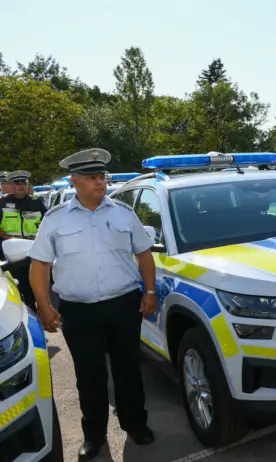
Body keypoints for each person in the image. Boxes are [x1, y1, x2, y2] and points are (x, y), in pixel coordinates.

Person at [28, 148, 158, 461]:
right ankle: (94, 436)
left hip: (123, 305)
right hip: (79, 310)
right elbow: (40, 265)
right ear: (74, 181)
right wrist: (44, 305)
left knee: (128, 369)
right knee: (89, 375)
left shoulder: (123, 213)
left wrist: (150, 291)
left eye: (101, 176)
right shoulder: (55, 219)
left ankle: (135, 424)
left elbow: (143, 253)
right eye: (91, 177)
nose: (99, 182)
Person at [0, 170, 48, 309]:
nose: (21, 186)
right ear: (11, 185)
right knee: (13, 286)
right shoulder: (2, 203)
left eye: (24, 183)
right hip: (9, 253)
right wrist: (7, 237)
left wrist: (38, 237)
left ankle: (34, 309)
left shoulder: (36, 202)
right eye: (17, 183)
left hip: (32, 251)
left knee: (32, 286)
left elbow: (47, 224)